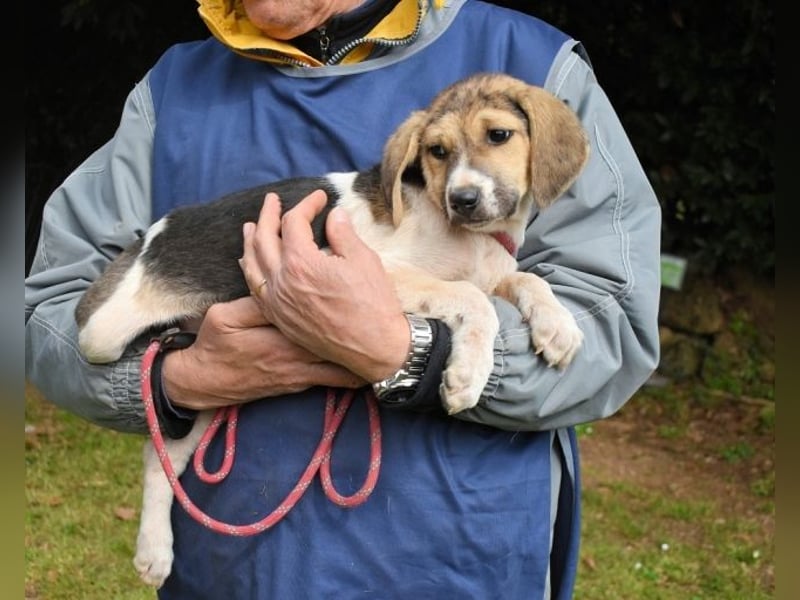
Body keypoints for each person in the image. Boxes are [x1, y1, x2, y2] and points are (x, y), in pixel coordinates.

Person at [25, 1, 662, 598]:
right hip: (229, 572)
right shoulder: (173, 91)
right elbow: (44, 316)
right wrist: (176, 379)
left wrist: (410, 351)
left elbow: (610, 330)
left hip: (457, 568)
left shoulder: (533, 63)